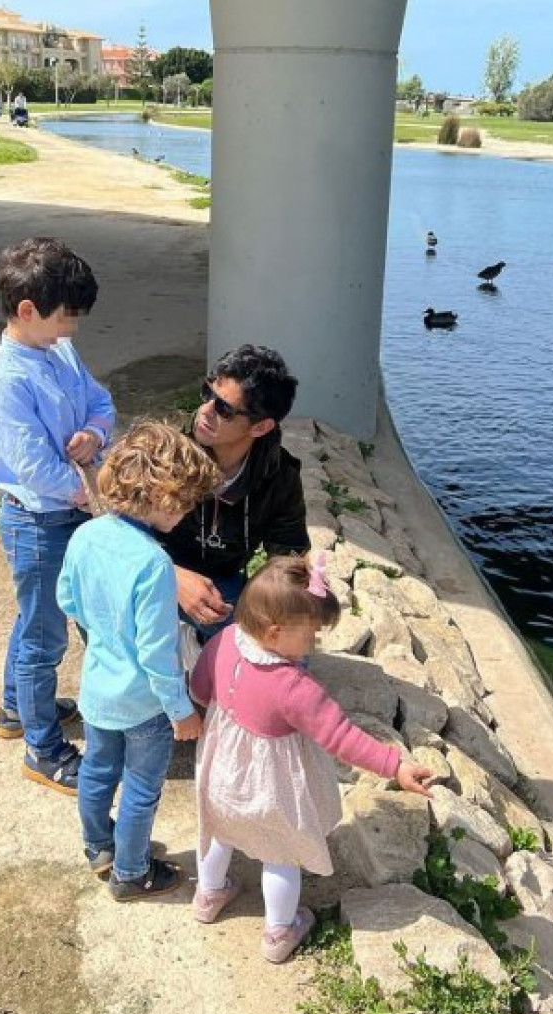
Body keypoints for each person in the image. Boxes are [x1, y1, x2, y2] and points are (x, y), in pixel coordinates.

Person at [189, 556, 434, 963]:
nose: (314, 645)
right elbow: (342, 737)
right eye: (310, 637)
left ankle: (208, 895)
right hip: (270, 788)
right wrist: (396, 766)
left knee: (219, 830)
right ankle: (279, 933)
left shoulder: (225, 639)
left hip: (223, 772)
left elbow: (200, 687)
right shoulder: (294, 687)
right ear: (274, 632)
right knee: (282, 854)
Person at [57, 421, 220, 900]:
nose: (187, 514)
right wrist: (181, 711)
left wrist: (106, 628)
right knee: (141, 789)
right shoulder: (151, 562)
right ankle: (132, 873)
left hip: (97, 691)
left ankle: (99, 848)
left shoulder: (86, 536)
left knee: (97, 771)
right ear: (163, 496)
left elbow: (68, 599)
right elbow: (155, 651)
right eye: (186, 502)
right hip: (145, 704)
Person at [0, 237, 115, 796]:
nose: (72, 329)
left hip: (67, 514)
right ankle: (44, 749)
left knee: (35, 620)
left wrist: (95, 433)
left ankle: (17, 708)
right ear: (28, 311)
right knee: (44, 638)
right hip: (38, 524)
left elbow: (101, 400)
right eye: (66, 317)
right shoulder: (7, 384)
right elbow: (35, 470)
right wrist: (94, 496)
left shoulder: (58, 352)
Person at [159, 344, 310, 642]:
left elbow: (287, 554)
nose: (205, 411)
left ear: (261, 426)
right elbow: (120, 533)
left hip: (221, 589)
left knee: (285, 645)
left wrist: (275, 601)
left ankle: (203, 647)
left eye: (224, 408)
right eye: (208, 393)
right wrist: (171, 576)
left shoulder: (279, 477)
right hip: (153, 574)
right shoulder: (168, 452)